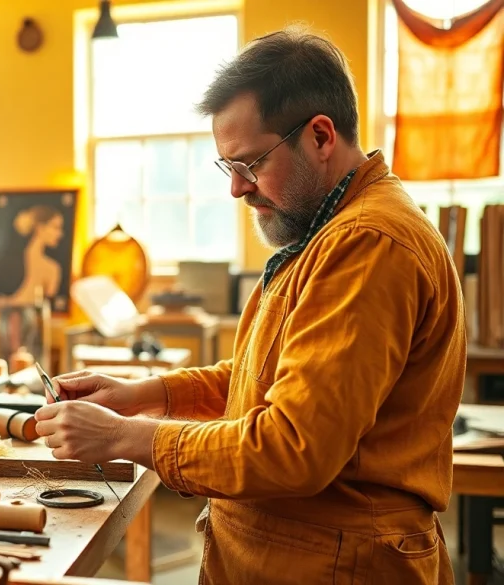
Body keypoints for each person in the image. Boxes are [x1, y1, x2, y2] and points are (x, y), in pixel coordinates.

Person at [34, 26, 465, 585]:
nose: (237, 190)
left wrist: (122, 437)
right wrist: (144, 395)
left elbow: (293, 447)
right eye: (228, 168)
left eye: (250, 164)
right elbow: (267, 378)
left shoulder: (368, 244)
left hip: (332, 568)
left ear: (320, 136)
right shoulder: (325, 231)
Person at [3, 205, 64, 305]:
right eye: (55, 227)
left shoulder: (49, 266)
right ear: (40, 228)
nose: (60, 234)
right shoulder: (51, 268)